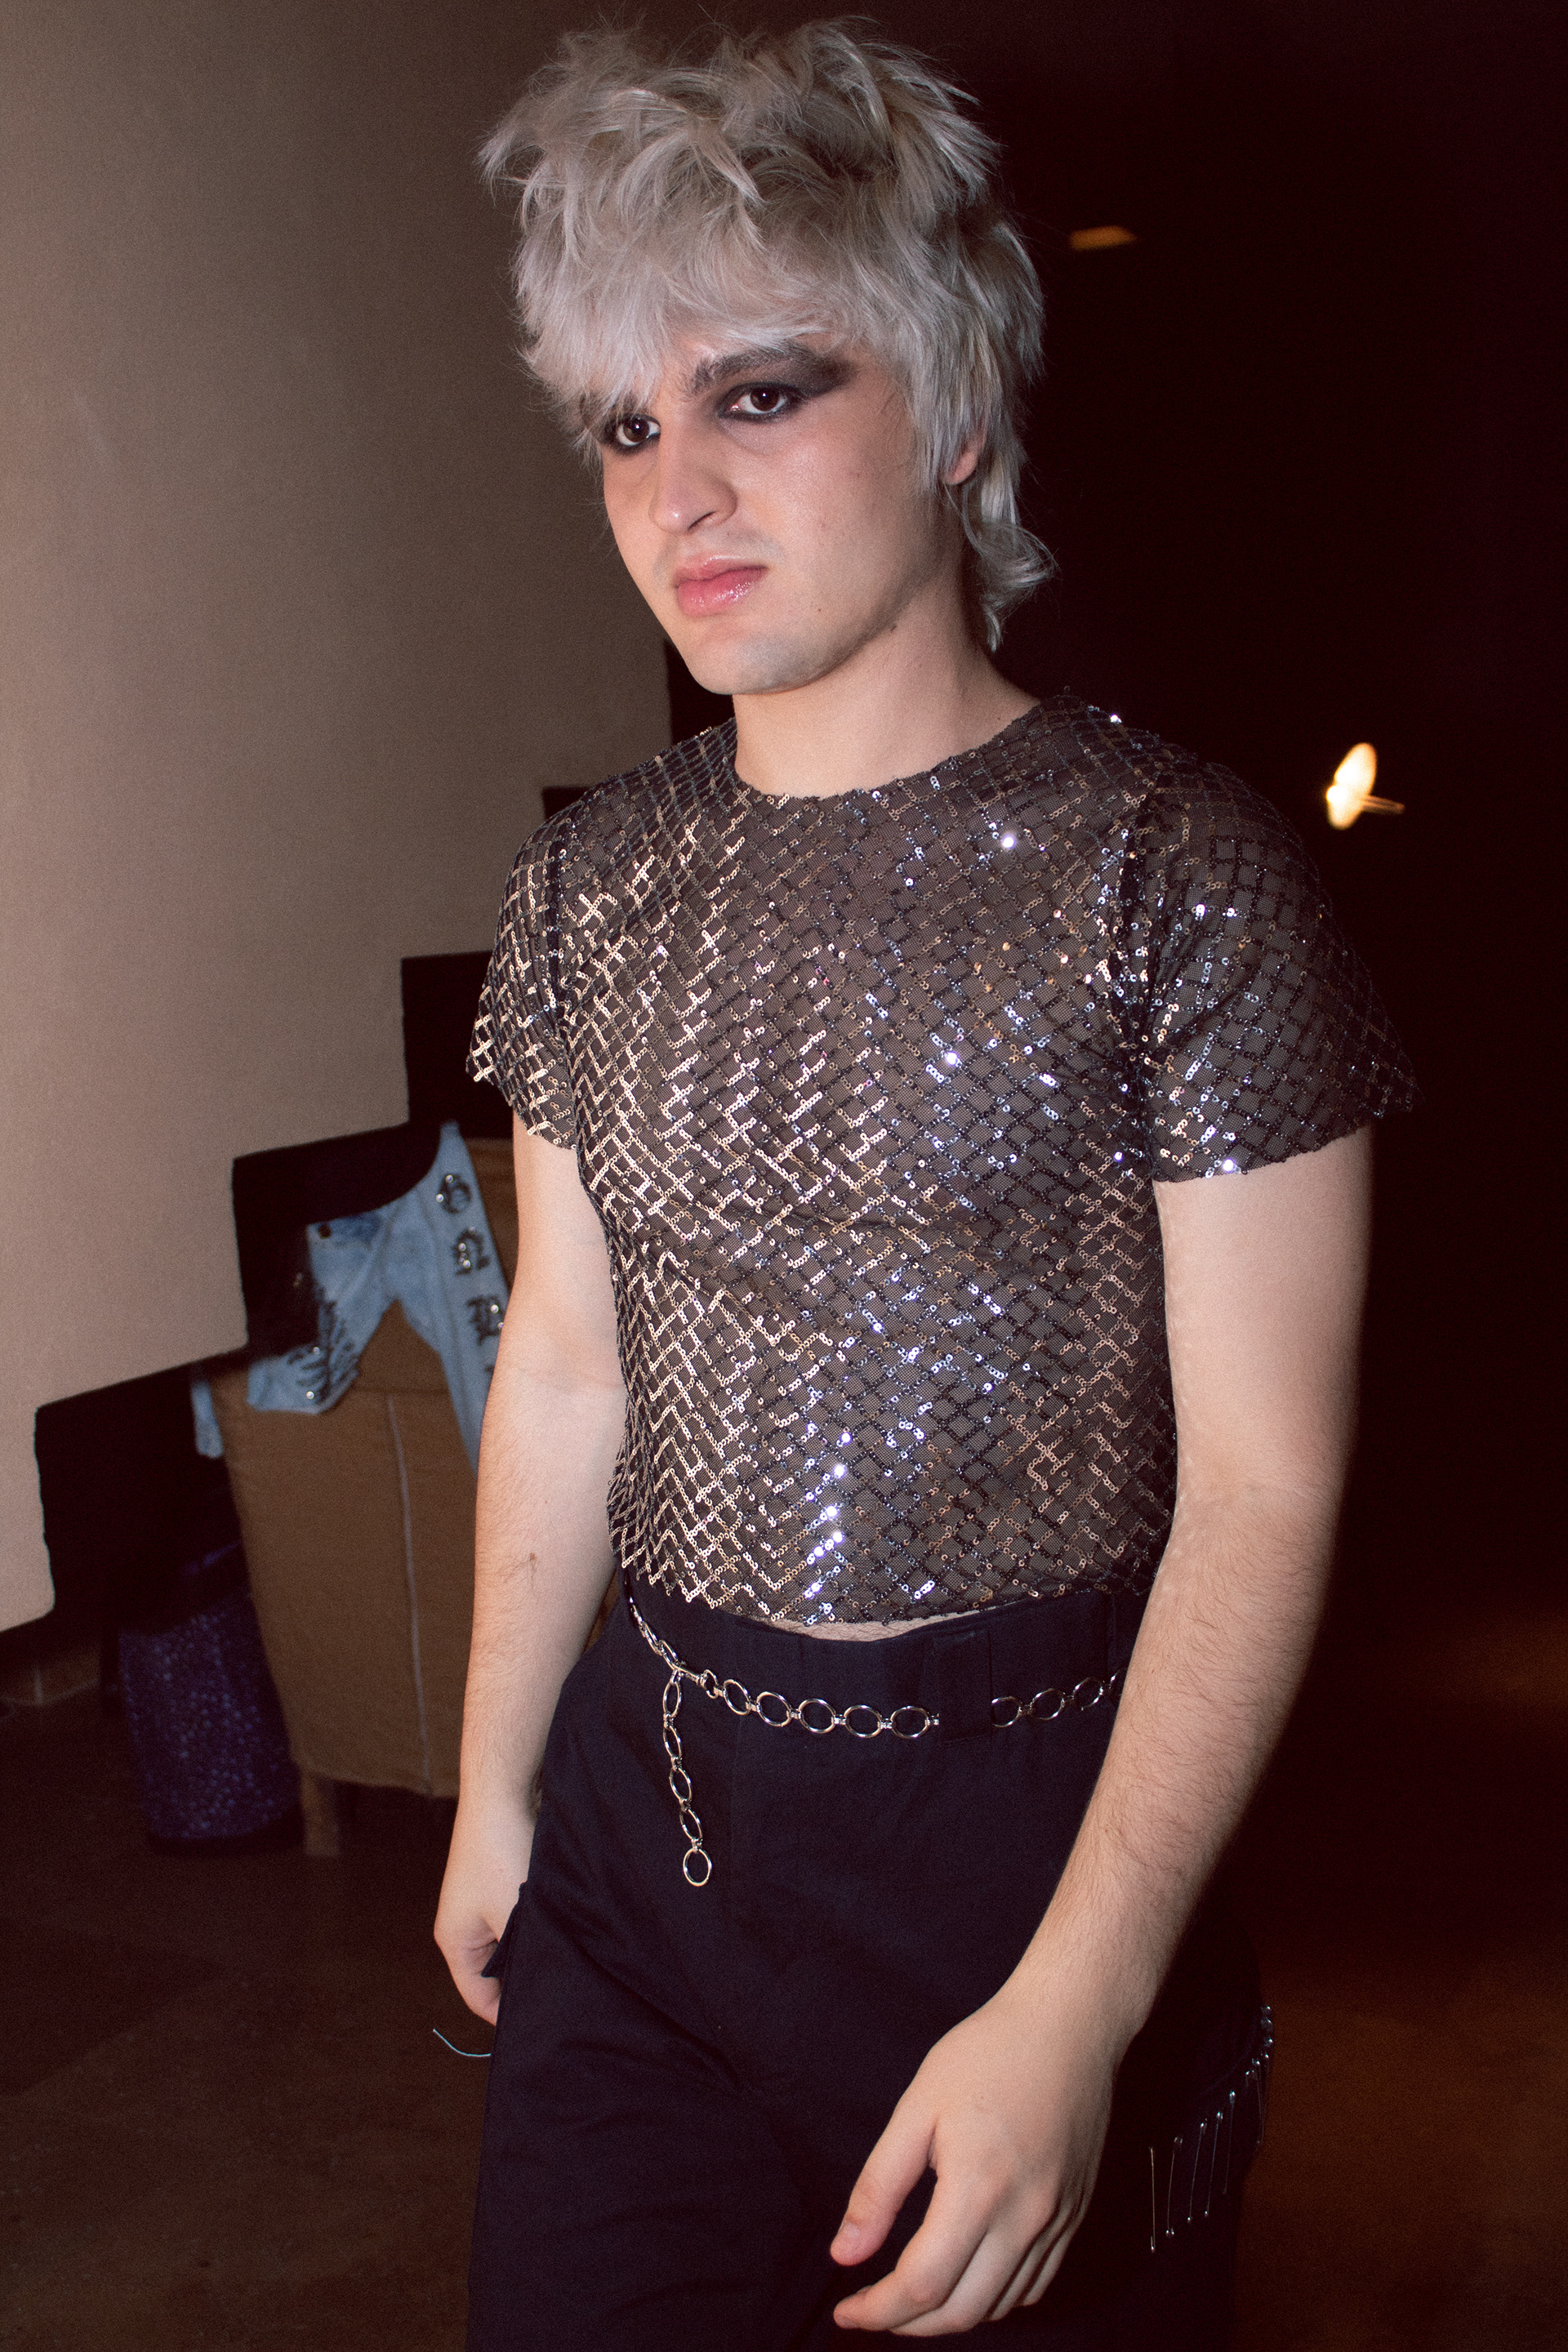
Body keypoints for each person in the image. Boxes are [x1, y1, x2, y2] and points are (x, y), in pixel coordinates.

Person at [436, 22, 1414, 2347]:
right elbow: (565, 1367)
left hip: (1030, 1859)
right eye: (626, 426)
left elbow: (1266, 1485)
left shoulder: (1181, 876)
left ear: (958, 412)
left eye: (761, 393)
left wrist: (1080, 2004)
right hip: (648, 1835)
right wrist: (494, 1785)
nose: (680, 490)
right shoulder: (589, 887)